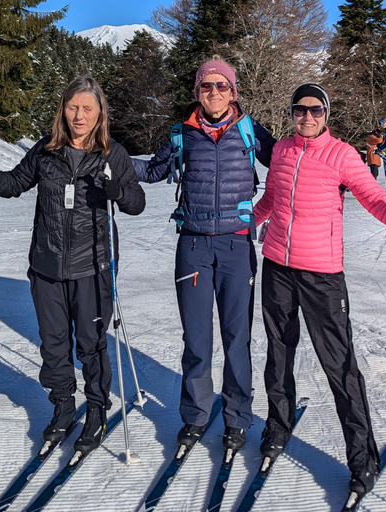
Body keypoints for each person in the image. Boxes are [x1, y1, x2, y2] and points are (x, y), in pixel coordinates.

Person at [252, 83, 386, 503]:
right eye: (300, 110)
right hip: (276, 268)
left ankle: (362, 459)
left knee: (340, 365)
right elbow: (271, 199)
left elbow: (376, 200)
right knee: (278, 353)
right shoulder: (282, 151)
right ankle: (278, 426)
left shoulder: (341, 155)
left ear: (326, 114)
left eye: (315, 110)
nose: (307, 117)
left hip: (322, 275)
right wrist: (243, 223)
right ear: (291, 113)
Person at [0, 76, 146, 456]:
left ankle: (96, 408)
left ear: (99, 114)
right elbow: (13, 184)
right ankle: (63, 405)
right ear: (63, 110)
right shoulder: (46, 151)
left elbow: (136, 202)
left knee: (92, 344)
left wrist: (118, 192)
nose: (79, 115)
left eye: (87, 108)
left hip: (92, 267)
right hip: (46, 265)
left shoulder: (112, 154)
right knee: (53, 344)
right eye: (73, 107)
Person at [132, 56, 276, 453]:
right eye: (206, 86)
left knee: (236, 338)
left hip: (236, 246)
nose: (214, 92)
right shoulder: (182, 134)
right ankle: (195, 415)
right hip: (193, 245)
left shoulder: (249, 130)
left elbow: (285, 161)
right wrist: (108, 158)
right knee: (196, 338)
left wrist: (330, 168)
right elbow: (153, 171)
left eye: (221, 85)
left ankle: (237, 418)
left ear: (233, 92)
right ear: (197, 92)